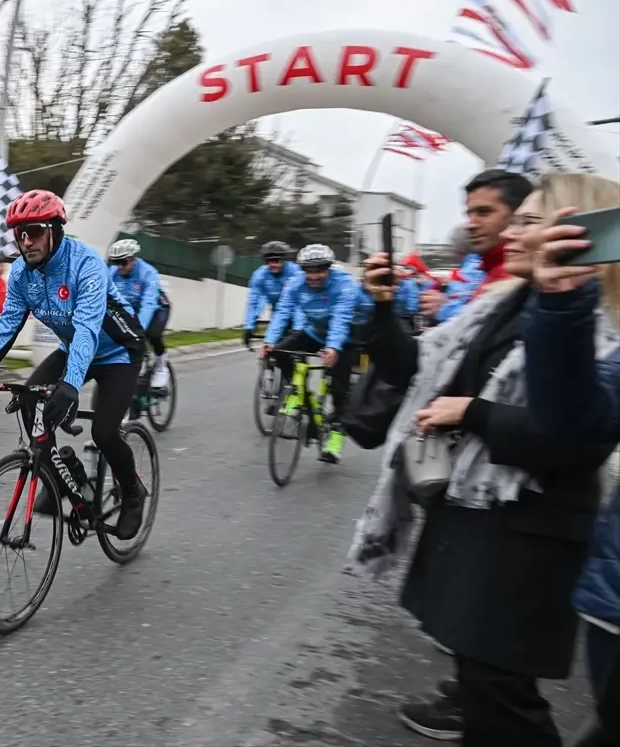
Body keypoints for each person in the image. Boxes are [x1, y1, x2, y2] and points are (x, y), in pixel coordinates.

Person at [346, 173, 616, 746]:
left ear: (579, 234)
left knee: (502, 700)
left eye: (528, 221)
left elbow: (574, 437)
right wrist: (382, 309)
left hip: (527, 536)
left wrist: (474, 414)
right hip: (474, 524)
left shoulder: (595, 324)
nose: (510, 233)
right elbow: (416, 371)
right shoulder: (497, 306)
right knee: (483, 688)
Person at [0, 189, 149, 540]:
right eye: (19, 234)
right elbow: (4, 328)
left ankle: (133, 493)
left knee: (103, 432)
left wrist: (70, 385)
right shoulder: (22, 273)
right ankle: (62, 476)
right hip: (74, 348)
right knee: (28, 398)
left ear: (55, 229)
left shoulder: (85, 263)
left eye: (35, 231)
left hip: (117, 352)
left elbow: (87, 328)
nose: (26, 242)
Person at [521, 174, 620, 745]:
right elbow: (575, 423)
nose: (519, 235)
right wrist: (560, 306)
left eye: (532, 222)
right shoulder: (567, 302)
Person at [258, 244, 359, 463]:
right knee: (278, 352)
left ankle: (336, 436)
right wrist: (269, 341)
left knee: (340, 390)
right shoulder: (296, 283)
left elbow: (340, 320)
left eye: (319, 270)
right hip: (313, 333)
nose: (313, 276)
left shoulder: (344, 285)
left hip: (343, 339)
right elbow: (283, 311)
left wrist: (333, 348)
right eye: (309, 271)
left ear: (329, 269)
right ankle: (298, 391)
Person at [419, 170, 532, 324]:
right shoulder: (489, 269)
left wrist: (445, 309)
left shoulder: (526, 275)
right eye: (469, 215)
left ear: (519, 215)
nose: (470, 225)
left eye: (484, 212)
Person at [107, 238, 172, 387]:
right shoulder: (112, 273)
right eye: (116, 263)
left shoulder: (148, 273)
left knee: (152, 335)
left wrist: (138, 330)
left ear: (132, 259)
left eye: (123, 262)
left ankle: (162, 365)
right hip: (132, 310)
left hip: (157, 309)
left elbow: (148, 304)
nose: (119, 267)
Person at [243, 240, 302, 349]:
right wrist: (249, 326)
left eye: (276, 260)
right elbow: (254, 301)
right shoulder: (260, 275)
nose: (272, 264)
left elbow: (300, 303)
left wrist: (298, 326)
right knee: (275, 350)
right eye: (268, 261)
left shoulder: (296, 272)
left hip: (299, 312)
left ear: (284, 259)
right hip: (278, 315)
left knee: (298, 347)